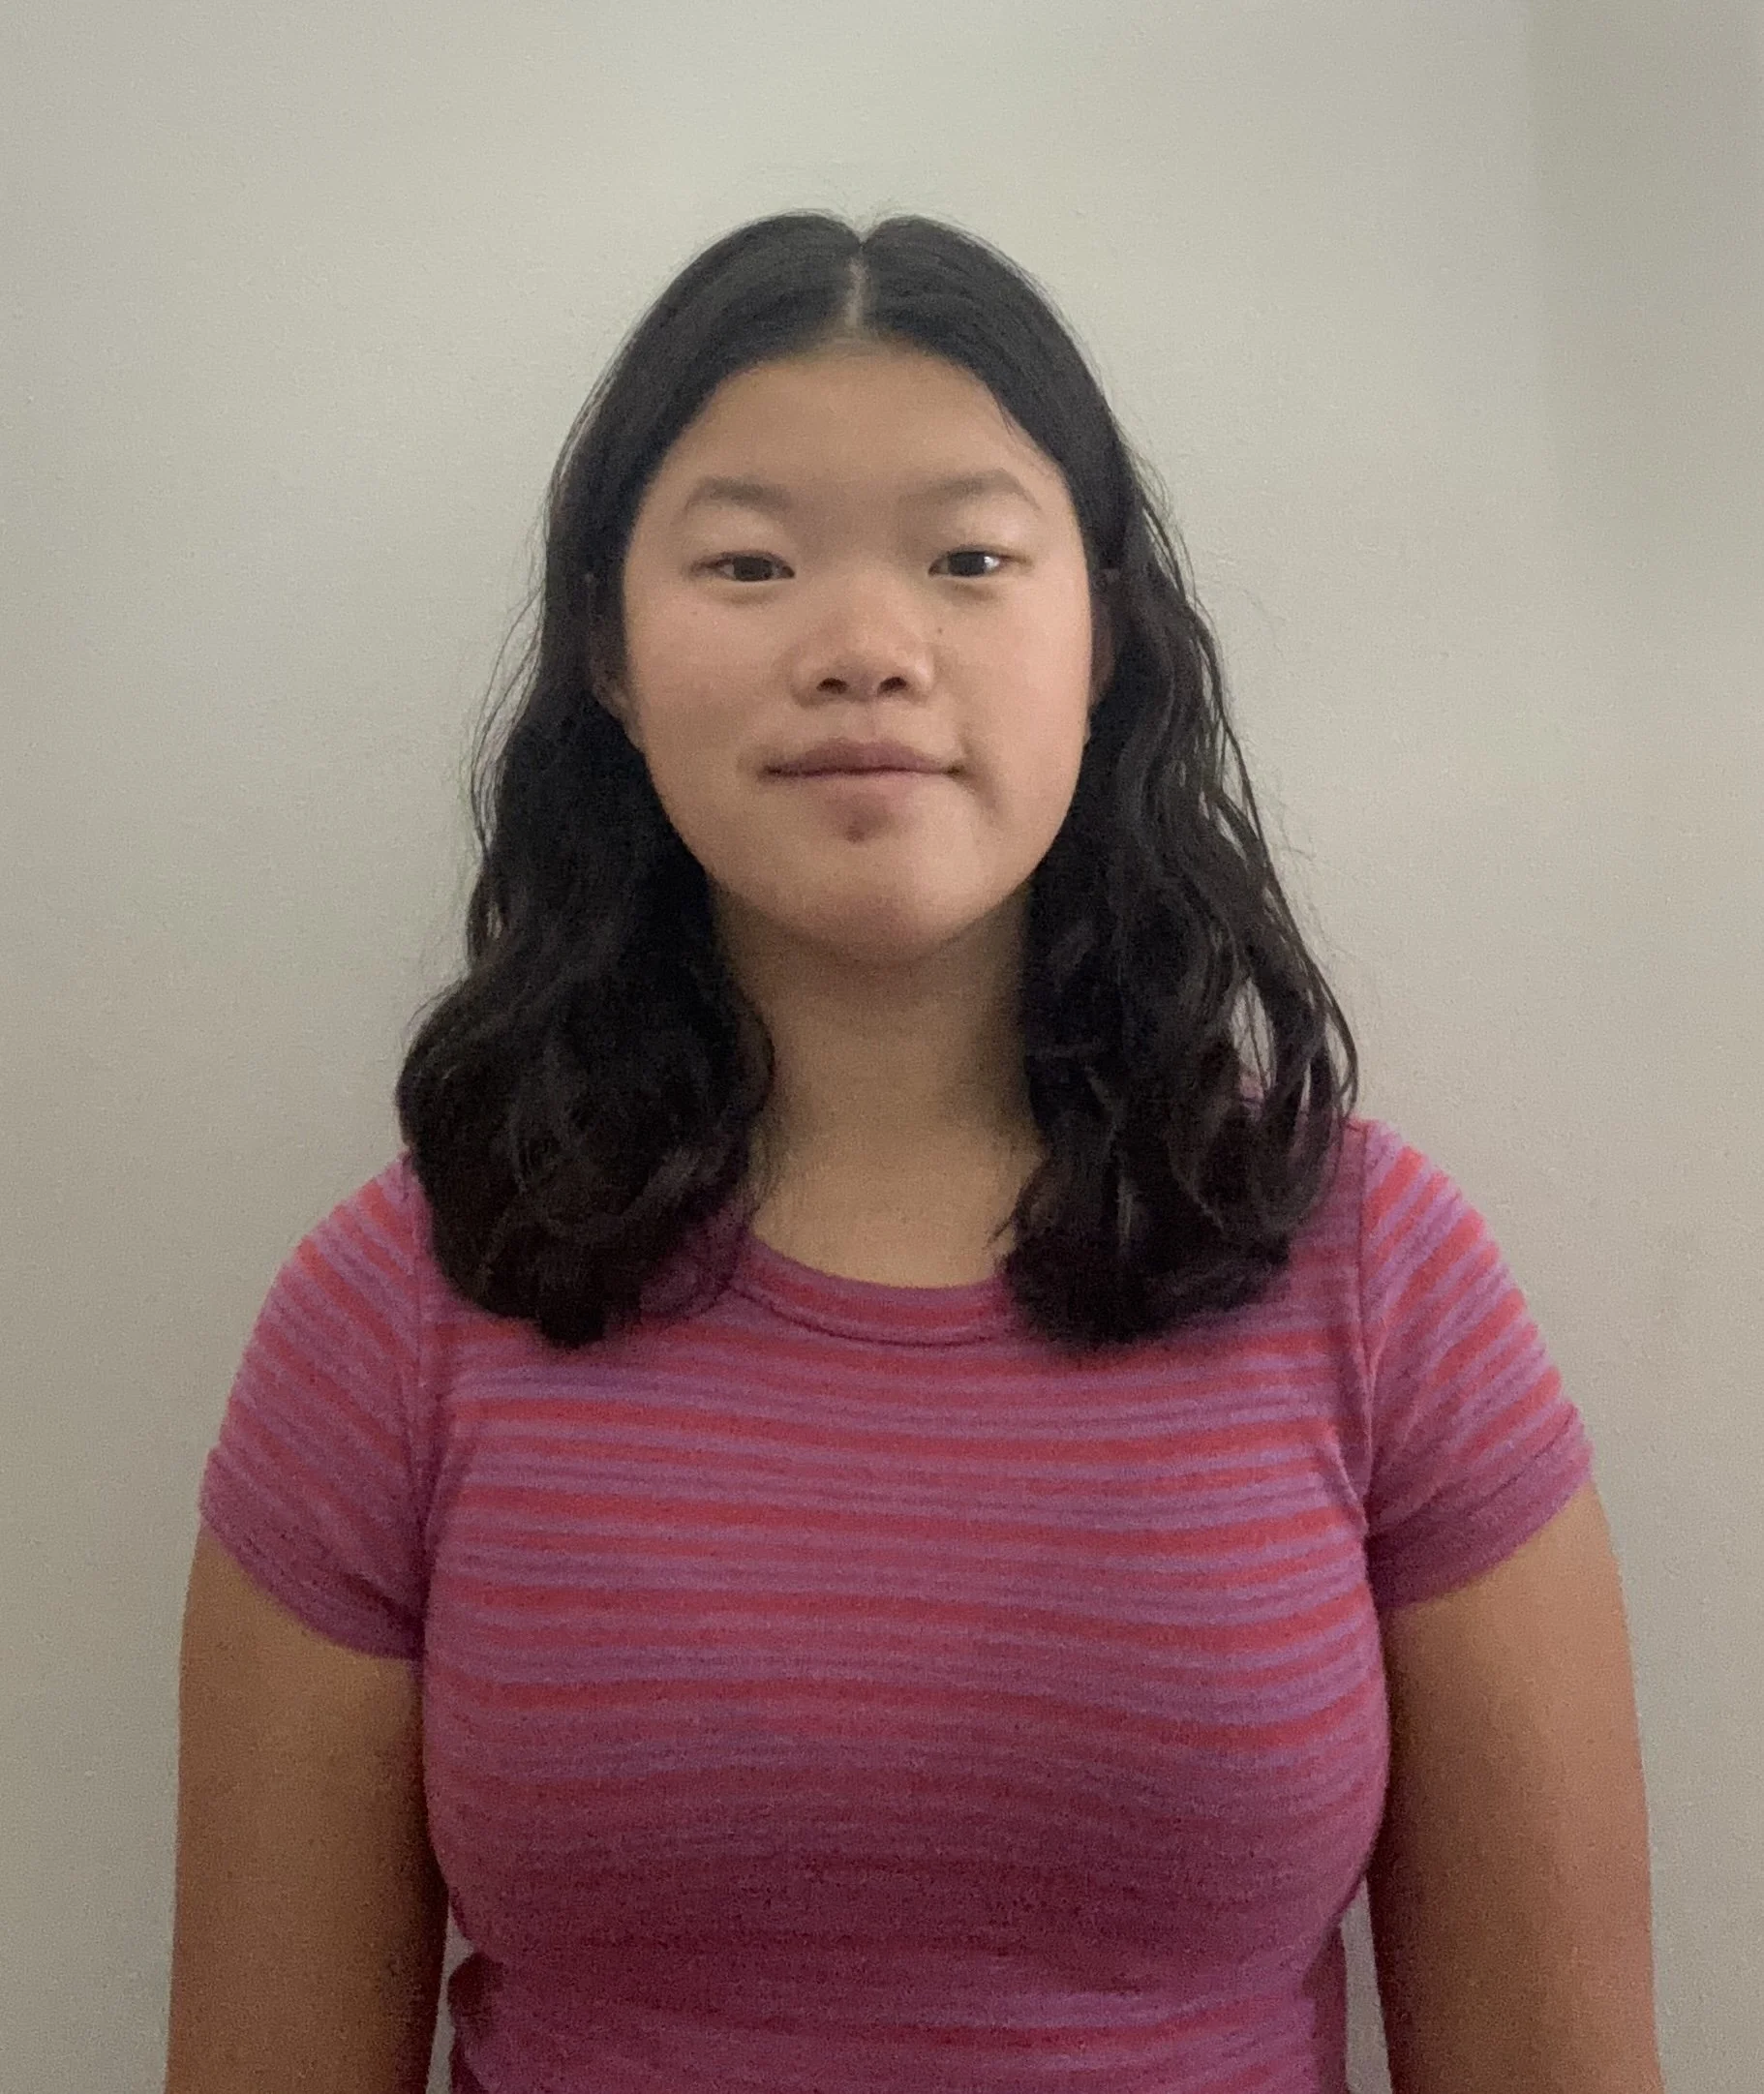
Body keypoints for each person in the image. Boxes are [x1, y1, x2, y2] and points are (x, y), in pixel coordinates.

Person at [165, 212, 1663, 2094]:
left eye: (968, 558)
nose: (865, 649)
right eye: (747, 561)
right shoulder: (393, 1309)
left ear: (1102, 633)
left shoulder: (1376, 1275)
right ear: (608, 652)